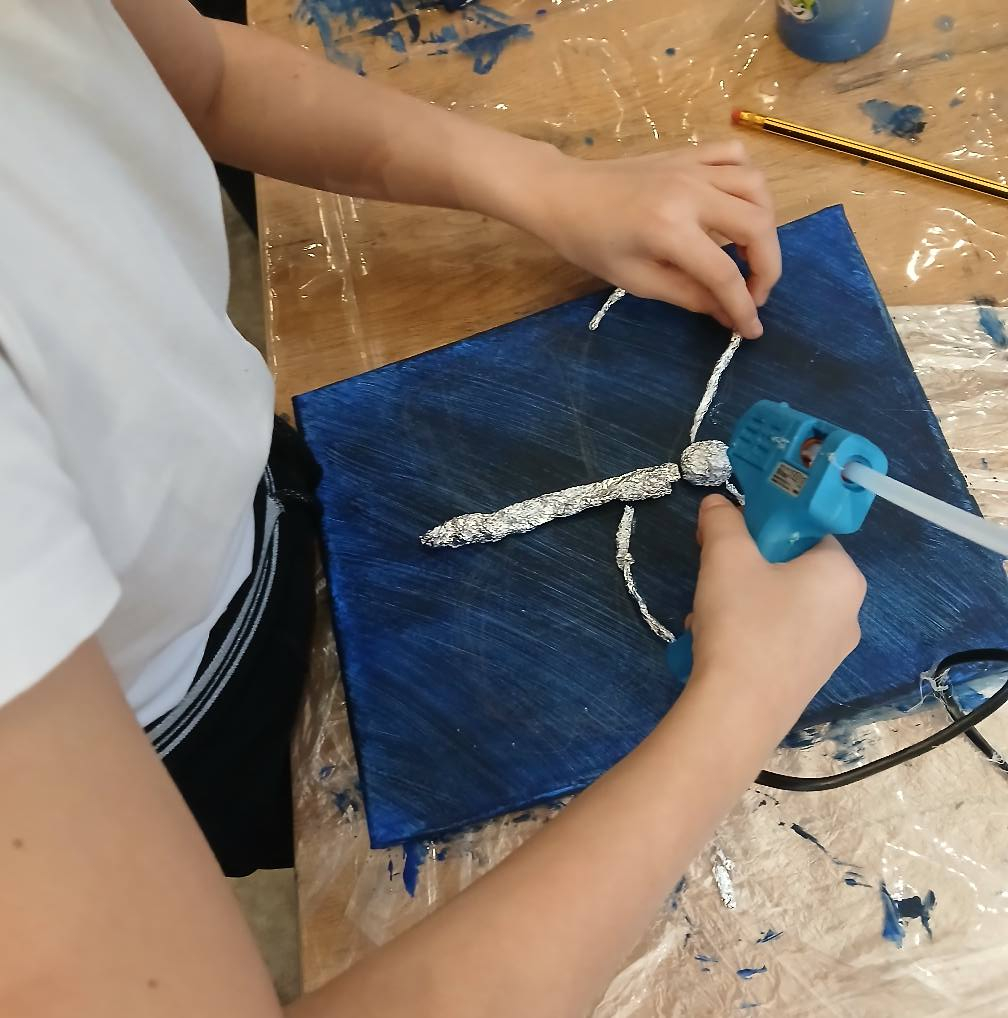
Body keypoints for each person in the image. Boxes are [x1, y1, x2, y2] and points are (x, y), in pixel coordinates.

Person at [0, 2, 867, 1016]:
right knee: (353, 801)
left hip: (243, 502)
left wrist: (546, 182)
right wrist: (745, 699)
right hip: (160, 718)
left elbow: (204, 80)